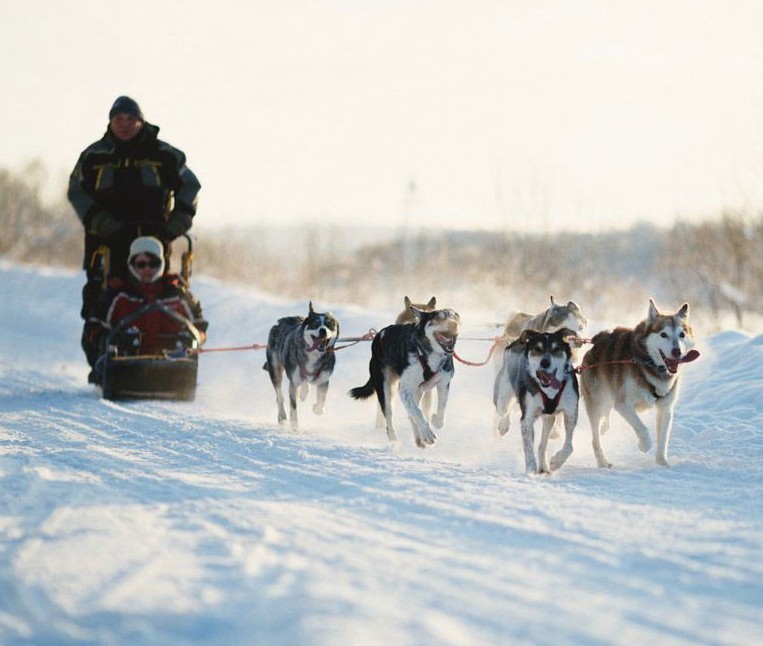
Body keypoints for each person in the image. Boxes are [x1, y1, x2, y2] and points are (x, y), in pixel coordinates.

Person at [68, 95, 201, 372]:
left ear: (141, 121)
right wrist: (101, 222)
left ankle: (166, 354)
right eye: (119, 119)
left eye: (131, 119)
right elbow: (77, 191)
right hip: (107, 243)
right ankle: (103, 356)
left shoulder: (164, 155)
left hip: (154, 242)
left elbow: (190, 186)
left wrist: (177, 224)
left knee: (159, 295)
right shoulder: (94, 157)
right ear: (110, 123)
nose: (125, 125)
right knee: (101, 299)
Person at [87, 236, 208, 382]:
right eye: (141, 264)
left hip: (171, 371)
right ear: (132, 265)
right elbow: (94, 329)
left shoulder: (178, 295)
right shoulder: (118, 296)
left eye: (153, 264)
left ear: (162, 265)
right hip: (124, 371)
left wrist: (192, 339)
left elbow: (200, 327)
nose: (147, 269)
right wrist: (113, 340)